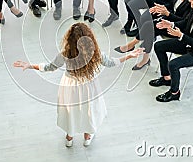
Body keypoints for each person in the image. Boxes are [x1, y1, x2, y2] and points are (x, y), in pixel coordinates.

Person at [14, 22, 143, 147]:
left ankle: (69, 137)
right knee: (89, 111)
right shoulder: (96, 53)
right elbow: (111, 63)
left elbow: (49, 67)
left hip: (70, 87)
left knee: (71, 111)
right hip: (89, 87)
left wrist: (30, 65)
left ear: (70, 40)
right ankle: (87, 138)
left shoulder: (65, 54)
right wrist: (129, 56)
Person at [115, 0, 193, 70]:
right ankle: (143, 56)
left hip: (178, 27)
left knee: (150, 26)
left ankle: (133, 47)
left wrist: (167, 14)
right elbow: (173, 4)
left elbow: (186, 22)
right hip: (169, 18)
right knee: (149, 23)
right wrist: (161, 8)